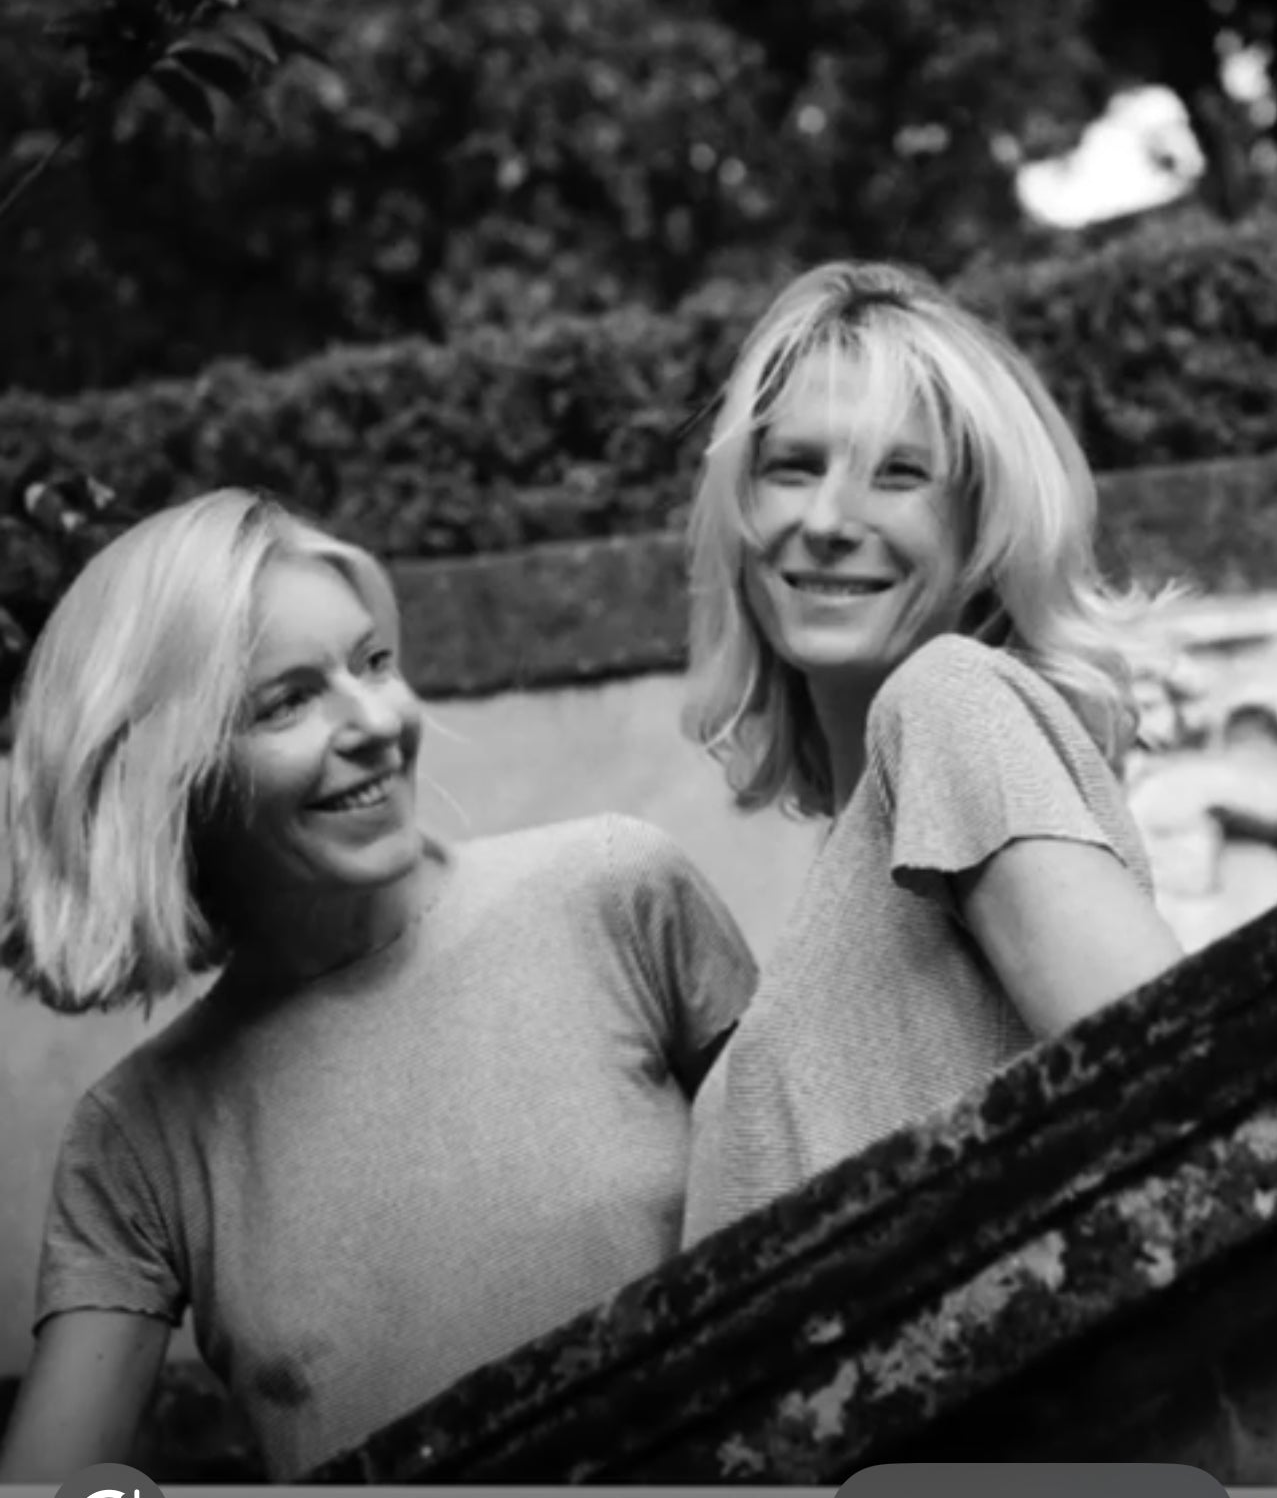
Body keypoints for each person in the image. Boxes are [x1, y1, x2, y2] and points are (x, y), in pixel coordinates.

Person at [0, 488, 757, 1482]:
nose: (376, 722)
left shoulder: (617, 891)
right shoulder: (136, 1140)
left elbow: (829, 1223)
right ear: (168, 781)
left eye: (373, 663)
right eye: (285, 702)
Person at [678, 259, 1186, 1247]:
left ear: (985, 529)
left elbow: (1185, 1096)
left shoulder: (951, 701)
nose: (828, 522)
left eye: (898, 474)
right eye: (792, 467)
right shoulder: (849, 880)